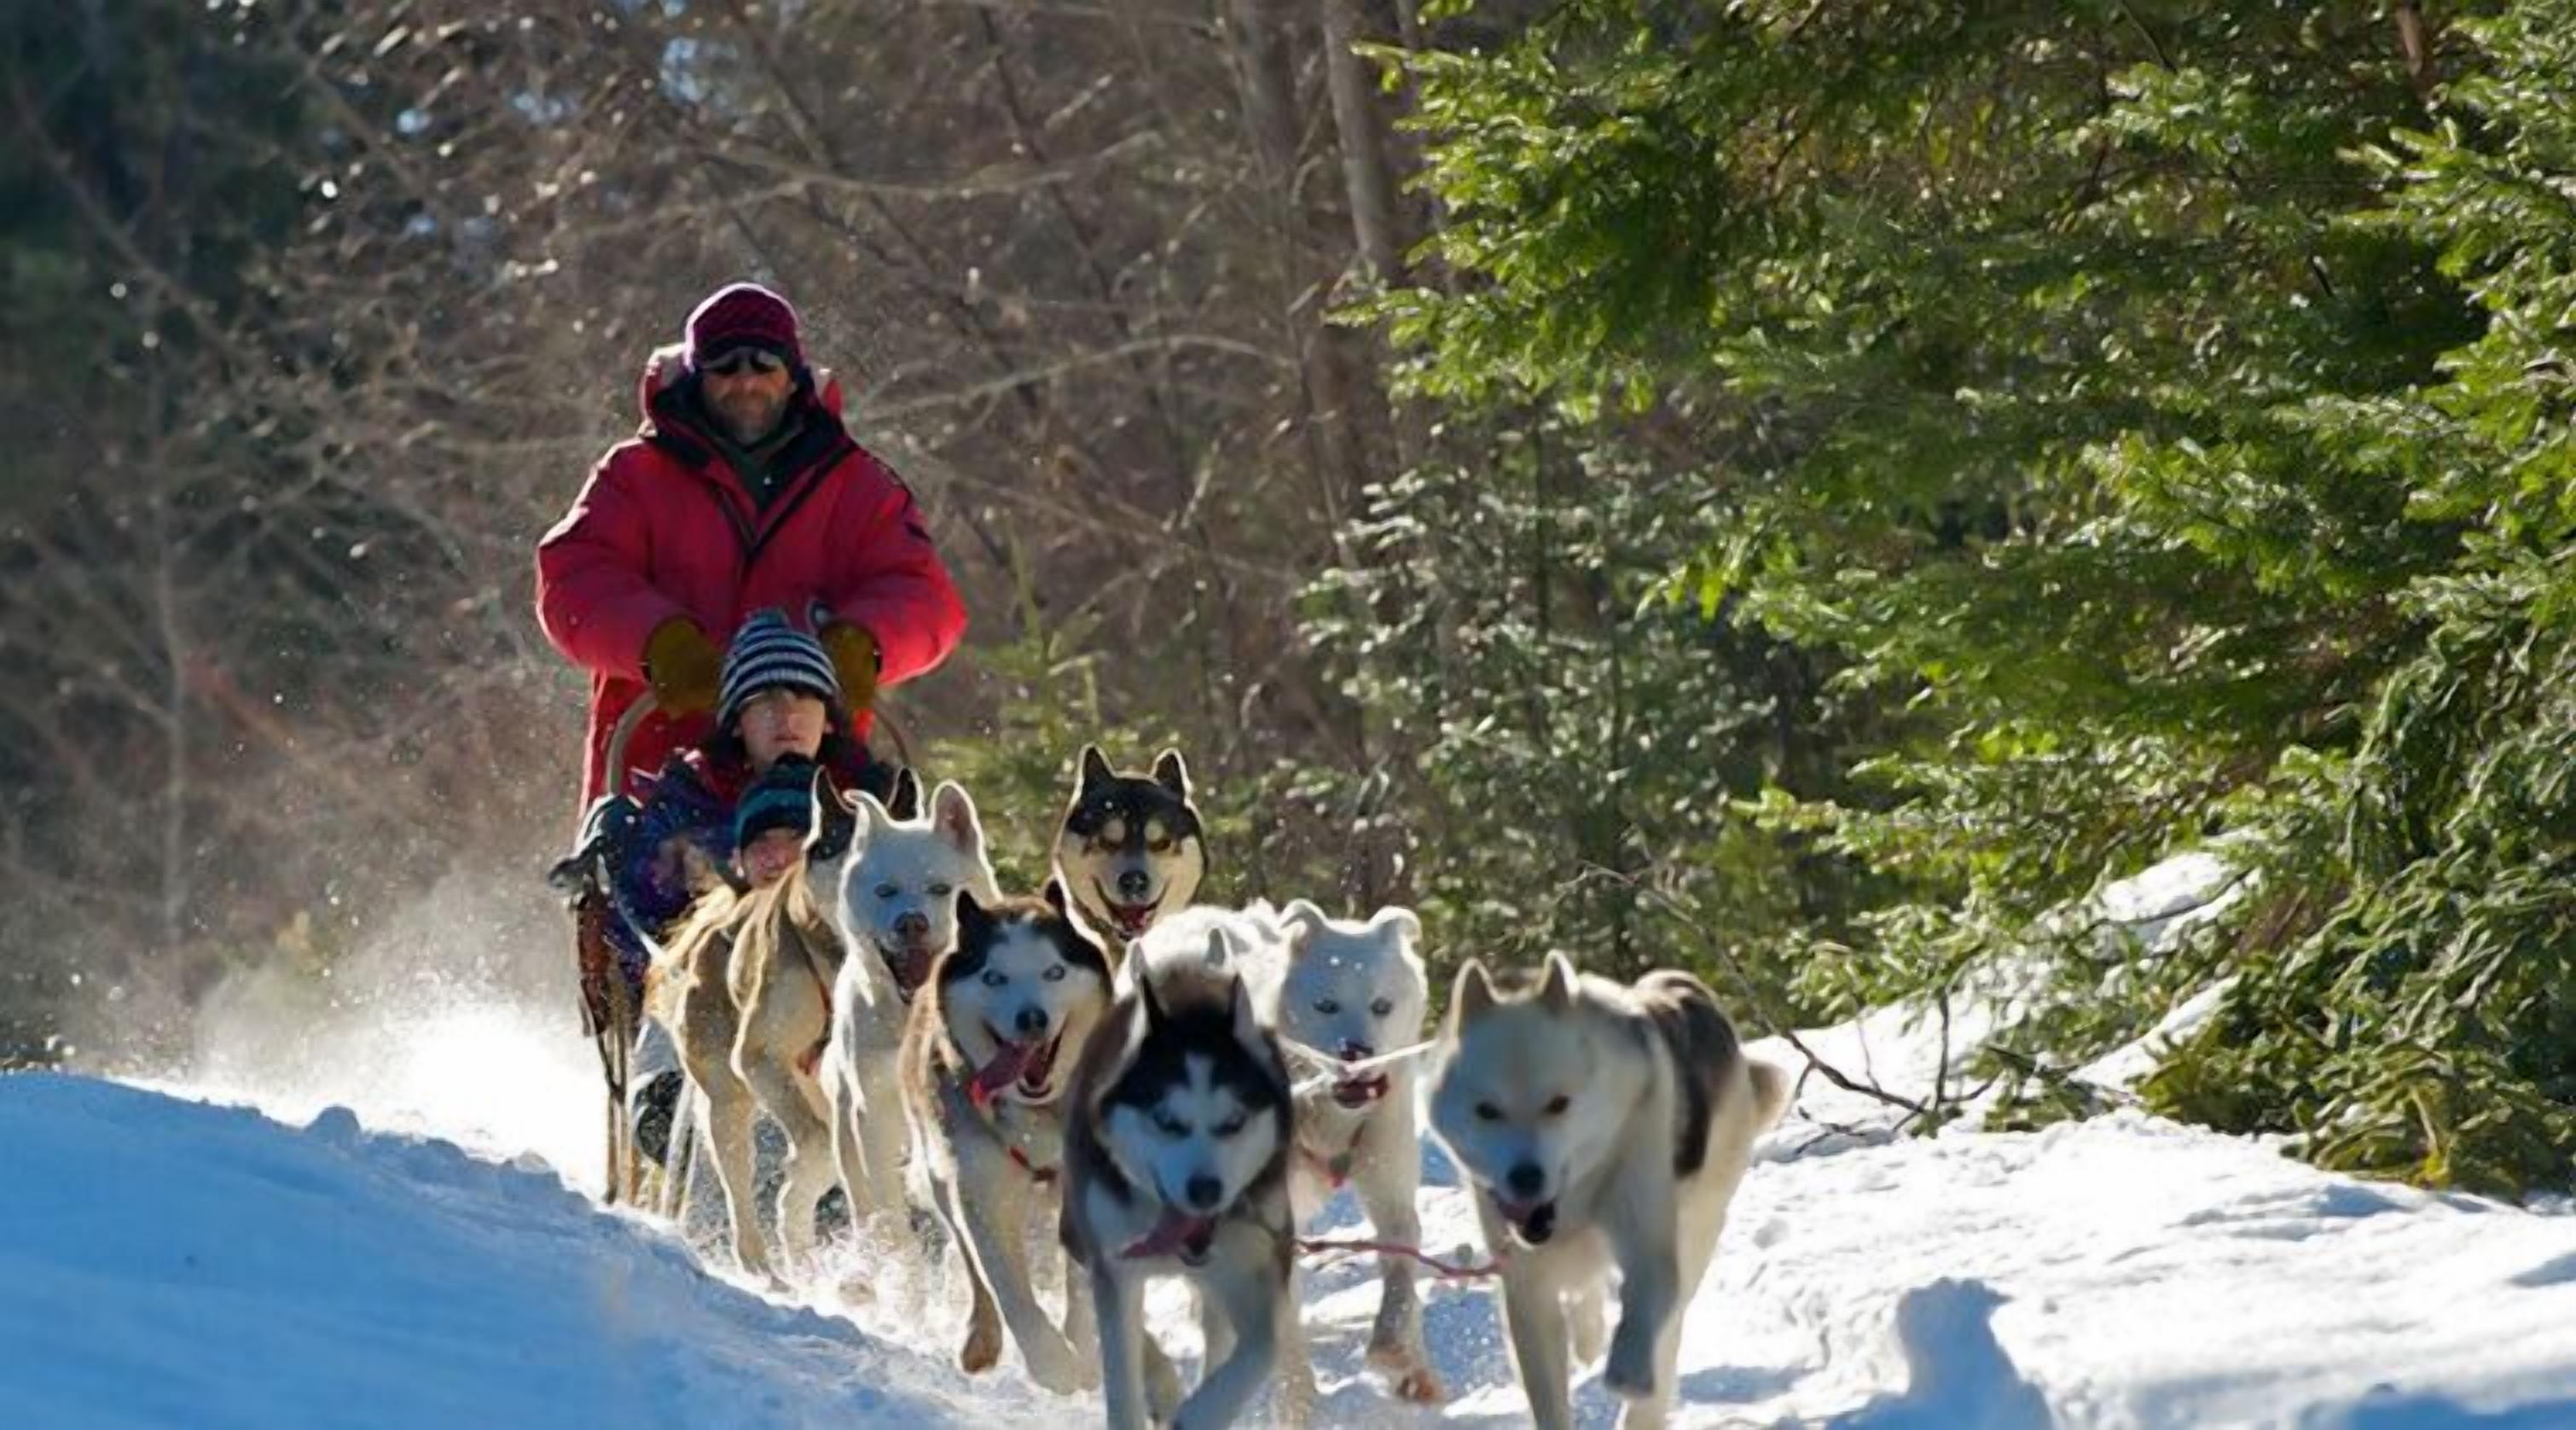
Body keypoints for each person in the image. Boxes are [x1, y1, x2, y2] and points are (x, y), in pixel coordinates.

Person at [536, 280, 966, 811]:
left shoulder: (856, 484)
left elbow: (924, 594)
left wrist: (862, 645)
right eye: (724, 366)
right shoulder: (633, 475)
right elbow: (573, 579)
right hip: (658, 781)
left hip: (816, 780)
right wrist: (662, 646)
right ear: (696, 379)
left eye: (764, 364)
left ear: (792, 378)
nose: (746, 381)